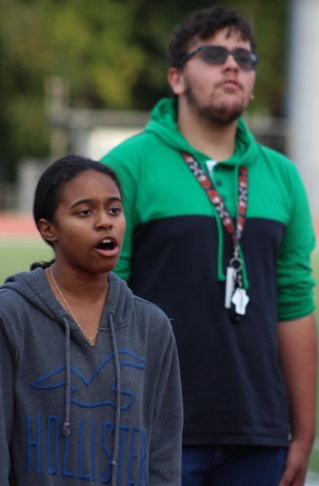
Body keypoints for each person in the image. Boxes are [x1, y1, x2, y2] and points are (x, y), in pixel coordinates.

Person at [101, 6, 318, 486]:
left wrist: (302, 434)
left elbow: (295, 304)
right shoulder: (125, 166)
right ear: (176, 78)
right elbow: (100, 300)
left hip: (258, 434)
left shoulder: (283, 176)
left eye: (245, 56)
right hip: (153, 427)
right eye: (214, 53)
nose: (233, 64)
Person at [0, 155, 183, 486]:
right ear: (48, 229)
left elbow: (163, 453)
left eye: (114, 210)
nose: (105, 222)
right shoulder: (11, 316)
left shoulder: (152, 326)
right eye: (85, 212)